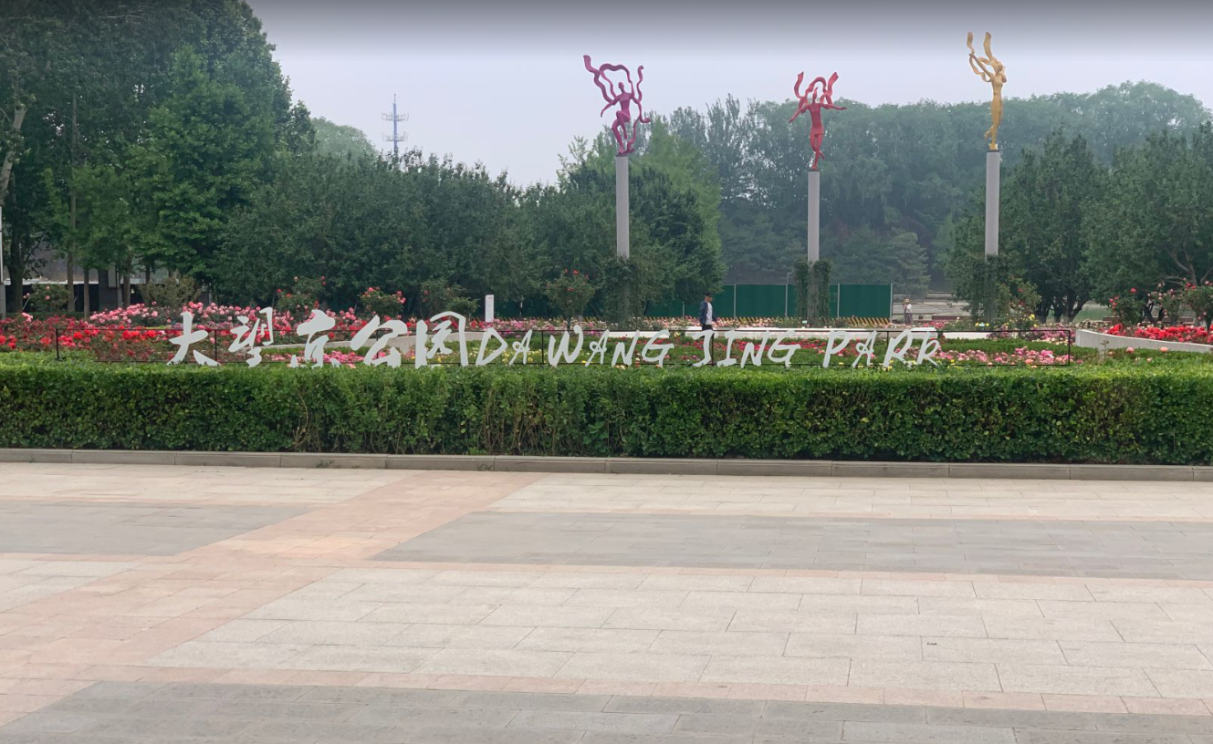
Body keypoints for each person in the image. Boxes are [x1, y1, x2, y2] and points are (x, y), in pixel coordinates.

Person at [698, 292, 716, 365]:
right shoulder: (703, 304)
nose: (710, 298)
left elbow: (711, 313)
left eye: (711, 297)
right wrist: (701, 321)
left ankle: (708, 358)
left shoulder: (710, 304)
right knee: (707, 340)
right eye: (709, 297)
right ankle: (707, 358)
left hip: (709, 324)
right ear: (706, 297)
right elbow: (701, 312)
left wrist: (715, 319)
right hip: (705, 324)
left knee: (710, 339)